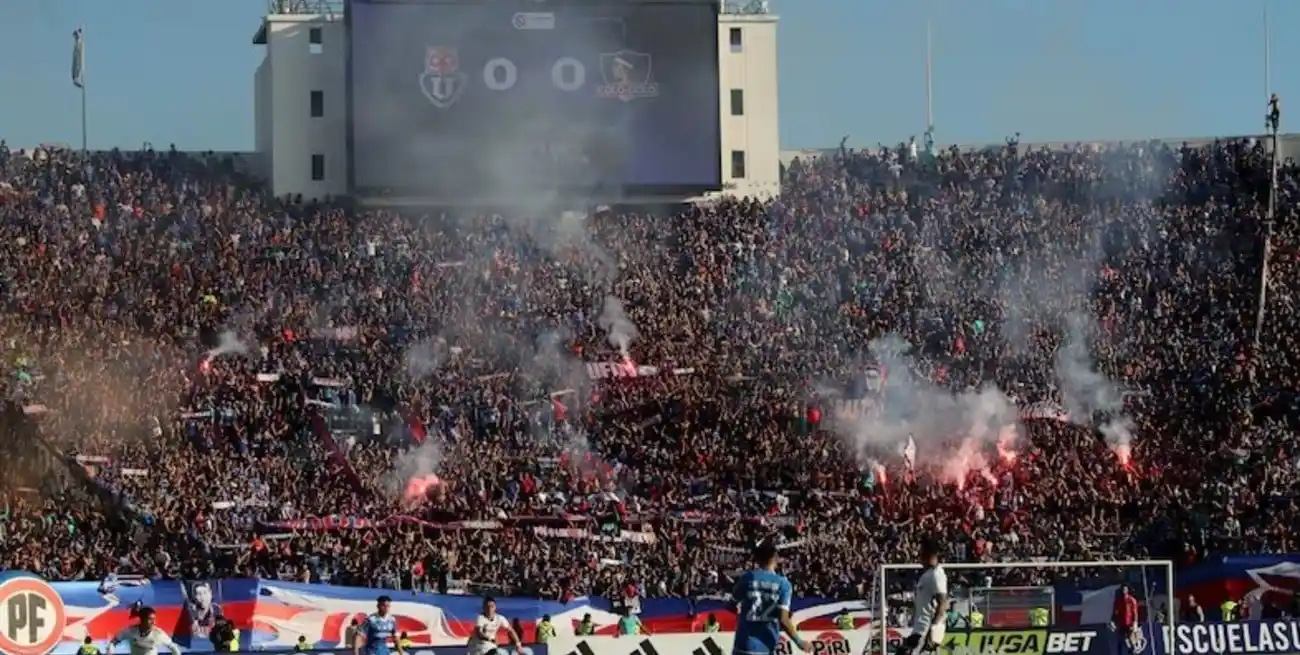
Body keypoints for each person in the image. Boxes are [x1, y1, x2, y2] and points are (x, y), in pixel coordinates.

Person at [732, 537, 809, 655]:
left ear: (758, 559)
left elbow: (732, 602)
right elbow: (783, 619)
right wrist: (799, 642)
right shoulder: (783, 584)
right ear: (775, 558)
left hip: (743, 644)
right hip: (765, 644)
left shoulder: (747, 578)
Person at [898, 538, 947, 655]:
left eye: (921, 553)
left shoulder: (936, 575)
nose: (919, 558)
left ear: (929, 555)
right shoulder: (927, 575)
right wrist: (903, 603)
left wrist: (933, 630)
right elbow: (925, 603)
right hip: (919, 629)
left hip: (925, 631)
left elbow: (943, 603)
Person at [107, 607, 182, 655]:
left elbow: (173, 647)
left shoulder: (158, 634)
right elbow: (114, 642)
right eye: (150, 619)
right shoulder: (130, 631)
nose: (154, 622)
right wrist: (110, 650)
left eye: (154, 619)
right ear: (142, 619)